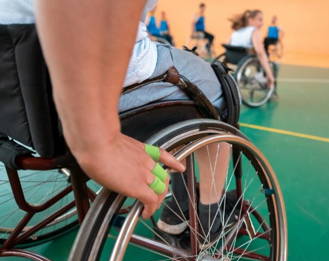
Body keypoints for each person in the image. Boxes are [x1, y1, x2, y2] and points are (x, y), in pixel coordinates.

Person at [0, 0, 234, 244]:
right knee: (221, 95)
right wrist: (98, 141)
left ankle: (179, 204)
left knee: (182, 105)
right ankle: (209, 215)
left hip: (23, 105)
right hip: (93, 77)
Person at [229, 10, 275, 88]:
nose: (262, 23)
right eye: (260, 20)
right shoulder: (254, 31)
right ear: (251, 20)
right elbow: (260, 53)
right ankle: (264, 80)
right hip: (244, 60)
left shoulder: (237, 31)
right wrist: (270, 75)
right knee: (270, 63)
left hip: (231, 58)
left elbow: (229, 44)